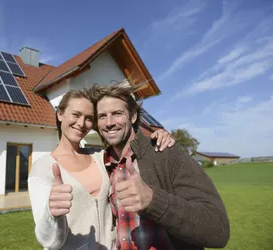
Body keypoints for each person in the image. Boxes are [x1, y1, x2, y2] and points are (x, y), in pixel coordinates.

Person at [28, 88, 175, 250]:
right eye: (76, 115)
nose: (82, 123)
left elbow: (130, 147)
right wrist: (52, 214)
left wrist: (156, 138)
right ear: (60, 114)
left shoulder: (101, 157)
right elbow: (49, 241)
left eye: (89, 118)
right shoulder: (42, 169)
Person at [90, 84, 230, 250]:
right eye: (102, 116)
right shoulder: (103, 163)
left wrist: (153, 200)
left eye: (117, 114)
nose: (109, 123)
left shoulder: (165, 153)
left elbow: (219, 230)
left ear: (133, 116)